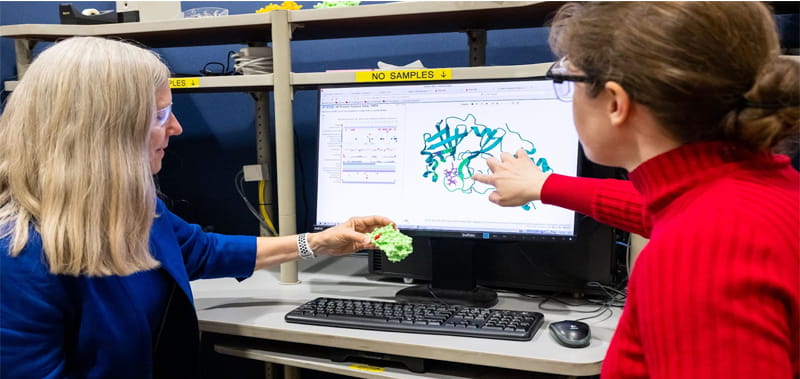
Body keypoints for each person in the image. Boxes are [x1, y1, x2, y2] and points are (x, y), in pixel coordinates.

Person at [0, 36, 394, 379]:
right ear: (100, 133)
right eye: (159, 116)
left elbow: (201, 251)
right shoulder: (16, 255)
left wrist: (320, 243)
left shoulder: (129, 205)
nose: (176, 129)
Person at [472, 2, 798, 378]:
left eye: (565, 79)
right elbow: (662, 210)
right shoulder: (764, 191)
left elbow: (693, 234)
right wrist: (545, 186)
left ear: (615, 103)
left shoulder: (697, 250)